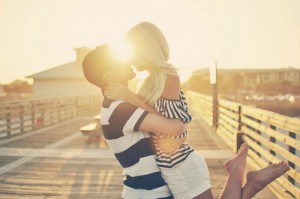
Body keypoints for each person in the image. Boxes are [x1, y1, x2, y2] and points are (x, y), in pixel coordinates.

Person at [103, 22, 290, 199]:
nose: (130, 59)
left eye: (133, 53)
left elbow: (176, 130)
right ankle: (246, 178)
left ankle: (246, 178)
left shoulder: (168, 77)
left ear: (145, 50)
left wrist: (130, 97)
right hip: (170, 164)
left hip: (179, 164)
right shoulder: (150, 81)